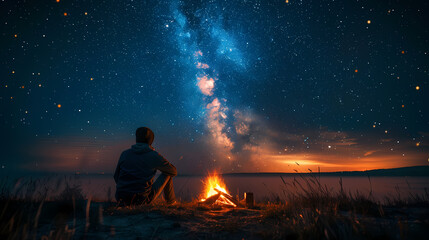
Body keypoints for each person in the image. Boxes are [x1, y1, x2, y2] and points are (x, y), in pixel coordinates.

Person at [114, 127, 177, 205]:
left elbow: (116, 176)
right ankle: (171, 203)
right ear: (151, 140)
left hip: (121, 199)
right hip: (141, 200)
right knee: (168, 173)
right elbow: (173, 171)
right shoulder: (153, 155)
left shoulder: (125, 154)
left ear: (137, 138)